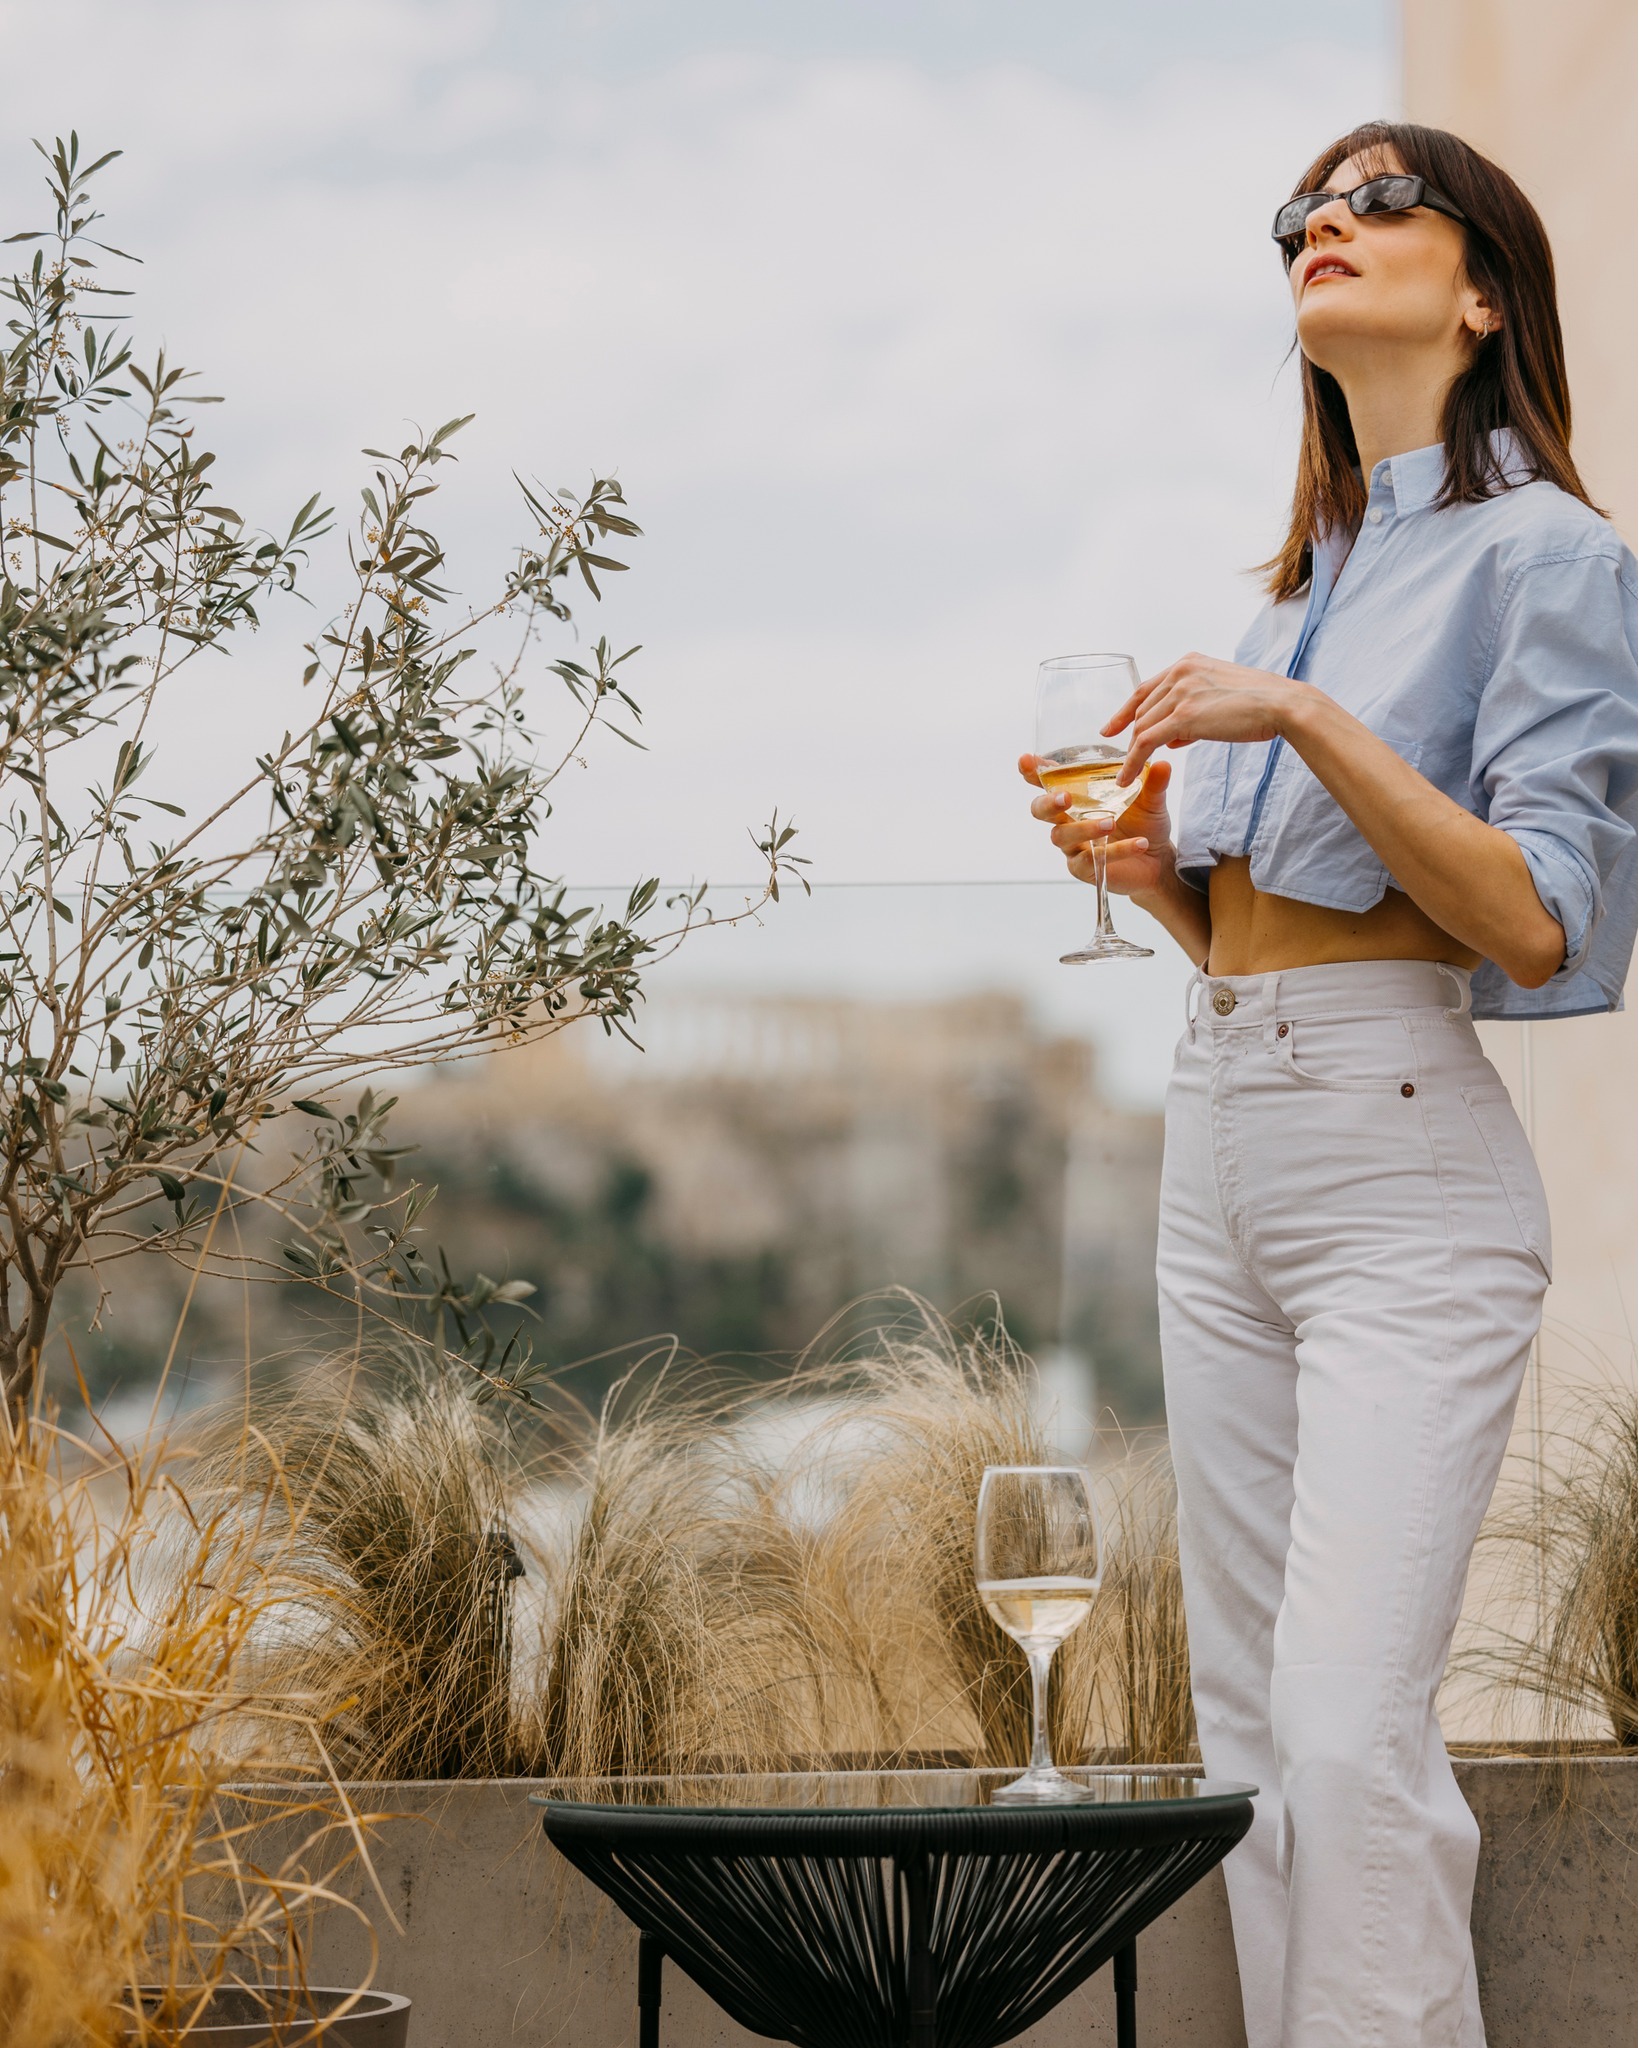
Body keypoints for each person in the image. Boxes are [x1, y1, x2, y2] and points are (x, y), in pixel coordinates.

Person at [1021, 120, 1636, 2046]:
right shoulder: (1309, 578)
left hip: (1397, 1165)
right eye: (1303, 213)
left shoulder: (1552, 556)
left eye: (1379, 201)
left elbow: (1539, 919)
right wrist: (1155, 883)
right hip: (1221, 1134)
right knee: (1246, 1733)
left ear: (1480, 291)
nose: (1326, 227)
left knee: (1348, 1725)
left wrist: (1295, 717)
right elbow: (1270, 932)